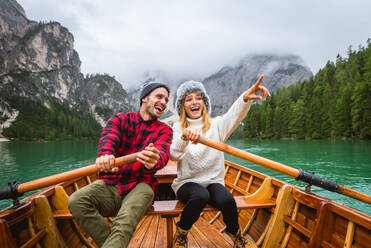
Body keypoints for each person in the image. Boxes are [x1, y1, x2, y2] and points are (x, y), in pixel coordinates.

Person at [68, 82, 173, 248]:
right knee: (76, 201)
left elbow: (162, 153)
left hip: (142, 185)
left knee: (124, 221)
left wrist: (155, 159)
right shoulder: (119, 120)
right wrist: (105, 155)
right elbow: (108, 140)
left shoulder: (164, 130)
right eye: (159, 96)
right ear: (144, 98)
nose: (164, 102)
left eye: (166, 100)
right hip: (110, 183)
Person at [170, 77, 270, 248]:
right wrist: (184, 138)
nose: (194, 102)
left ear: (204, 102)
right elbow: (173, 154)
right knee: (201, 196)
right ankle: (181, 232)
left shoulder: (217, 125)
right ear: (182, 105)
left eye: (198, 97)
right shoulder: (178, 127)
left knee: (227, 201)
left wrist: (244, 98)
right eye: (188, 99)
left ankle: (235, 233)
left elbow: (234, 115)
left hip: (213, 181)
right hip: (187, 183)